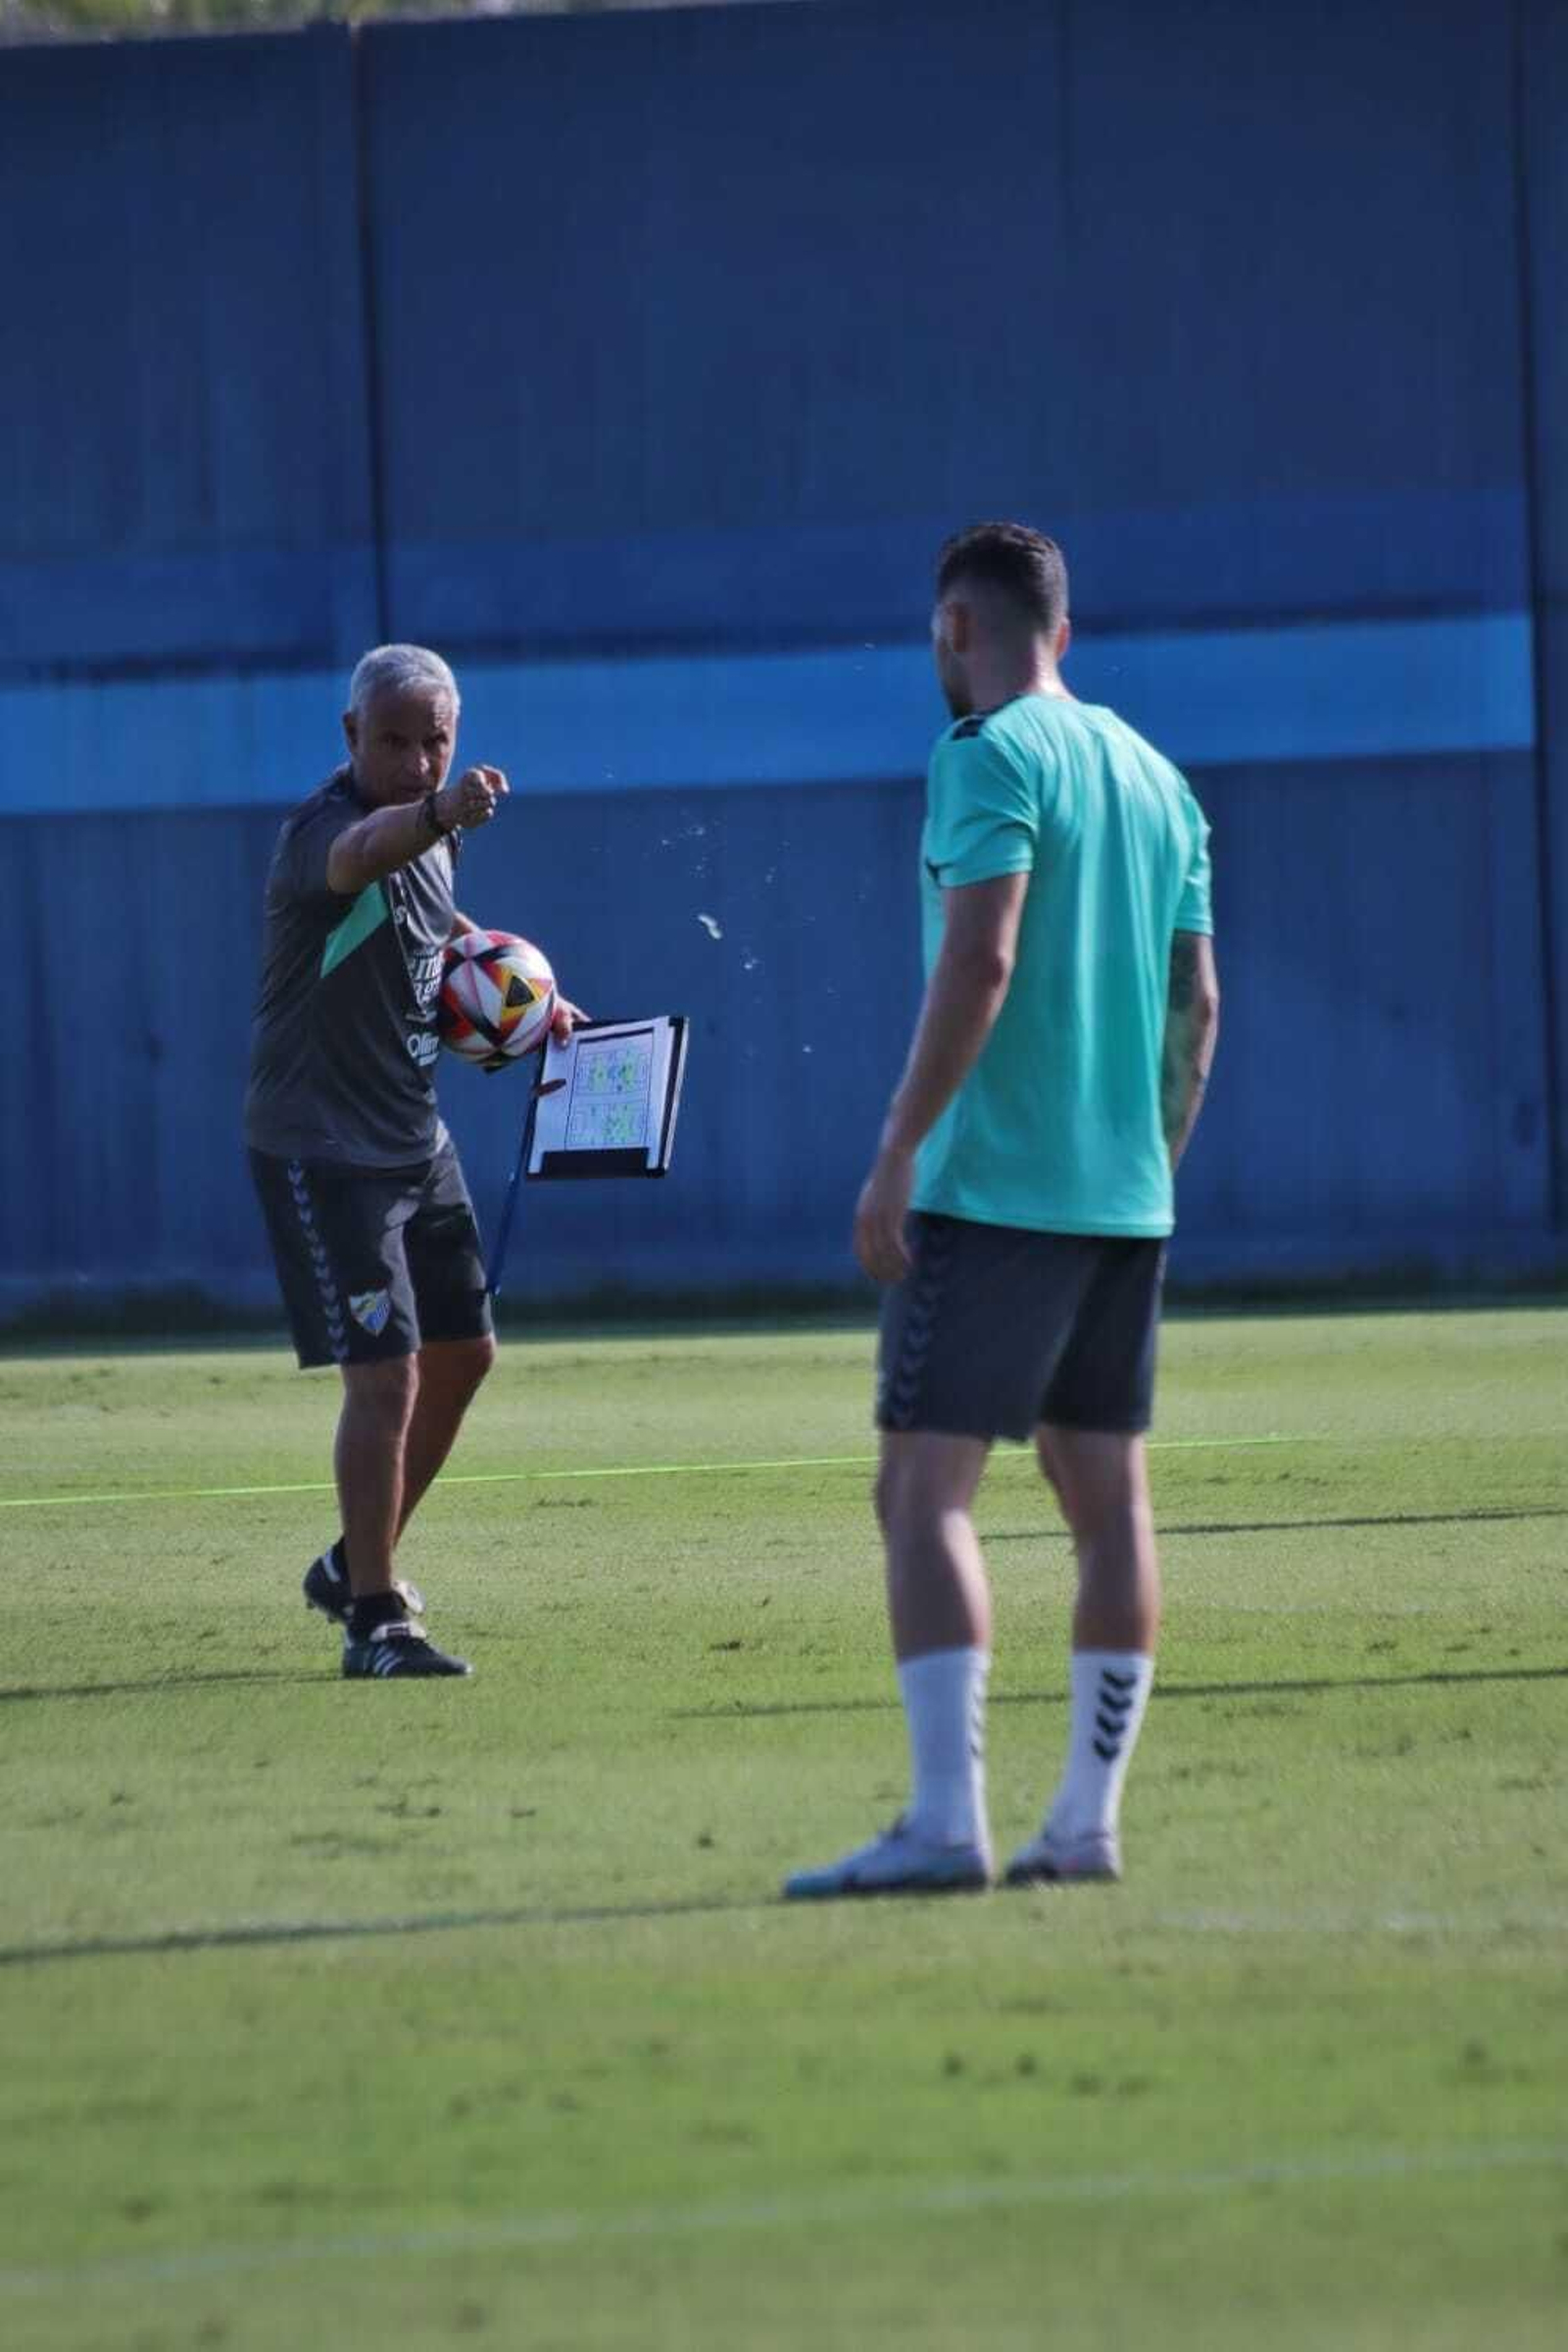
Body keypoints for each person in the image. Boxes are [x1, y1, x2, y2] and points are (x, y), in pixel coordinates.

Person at [784, 522, 1219, 1897]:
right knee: (1109, 1506)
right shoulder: (1159, 779)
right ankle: (1085, 1821)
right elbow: (1197, 1007)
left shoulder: (984, 756)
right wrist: (1147, 1164)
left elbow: (981, 960)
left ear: (957, 631)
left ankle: (944, 1822)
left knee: (922, 1493)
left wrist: (899, 1147)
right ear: (1066, 632)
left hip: (994, 1192)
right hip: (1122, 1201)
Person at [244, 644, 581, 1680]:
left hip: (414, 1142)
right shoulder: (326, 831)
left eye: (436, 740)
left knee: (465, 1357)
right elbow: (365, 860)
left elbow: (434, 918)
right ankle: (376, 1619)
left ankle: (353, 1560)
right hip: (323, 1148)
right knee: (384, 1380)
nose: (417, 759)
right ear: (351, 737)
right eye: (394, 739)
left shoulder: (433, 833)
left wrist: (524, 1001)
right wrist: (436, 816)